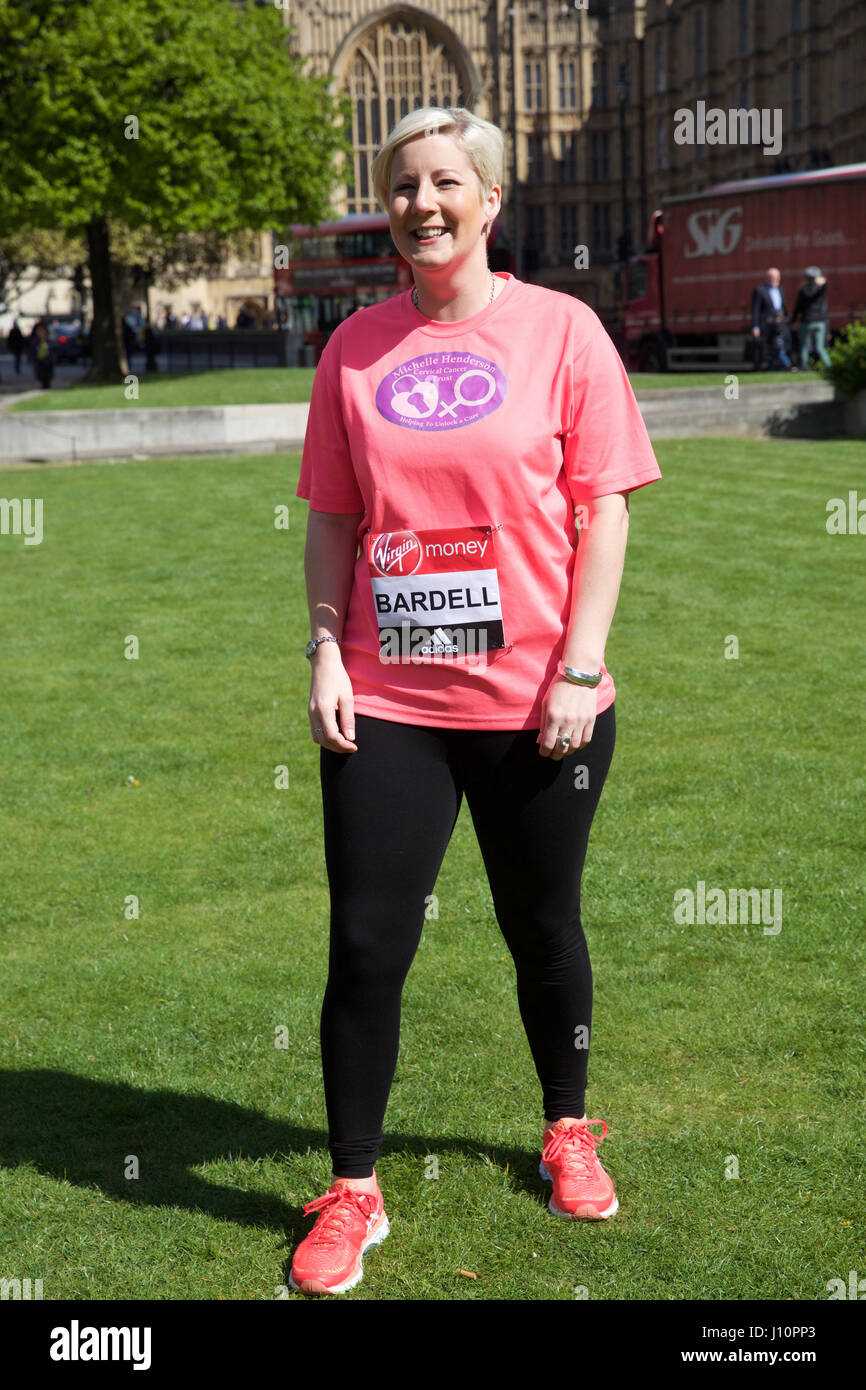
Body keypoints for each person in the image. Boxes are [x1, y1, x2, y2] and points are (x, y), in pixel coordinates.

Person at [290, 105, 662, 1298]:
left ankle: (566, 1127)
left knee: (540, 926)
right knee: (364, 942)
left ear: (489, 200)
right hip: (392, 698)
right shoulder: (352, 349)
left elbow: (603, 507)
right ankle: (353, 1188)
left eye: (446, 182)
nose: (422, 204)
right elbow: (334, 519)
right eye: (402, 186)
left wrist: (576, 667)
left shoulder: (562, 332)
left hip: (538, 701)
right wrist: (326, 649)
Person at [751, 267, 794, 370]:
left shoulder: (780, 289)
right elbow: (755, 310)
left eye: (777, 277)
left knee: (779, 346)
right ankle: (758, 368)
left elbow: (782, 307)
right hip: (766, 324)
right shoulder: (760, 291)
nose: (776, 280)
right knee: (762, 347)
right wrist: (755, 326)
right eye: (774, 277)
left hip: (779, 324)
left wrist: (787, 320)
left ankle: (775, 366)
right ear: (768, 278)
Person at [790, 266, 832, 370]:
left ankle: (804, 367)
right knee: (820, 347)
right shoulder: (820, 291)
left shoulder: (803, 291)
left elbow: (798, 308)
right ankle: (829, 366)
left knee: (804, 346)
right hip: (819, 321)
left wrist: (793, 321)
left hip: (807, 321)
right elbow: (823, 289)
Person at [31, 321, 55, 389]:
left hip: (47, 360)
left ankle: (47, 385)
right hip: (39, 360)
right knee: (40, 374)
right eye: (39, 331)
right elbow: (32, 351)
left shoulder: (48, 341)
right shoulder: (35, 341)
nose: (41, 333)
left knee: (48, 374)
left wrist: (53, 358)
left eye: (42, 331)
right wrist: (32, 359)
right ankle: (43, 385)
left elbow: (52, 351)